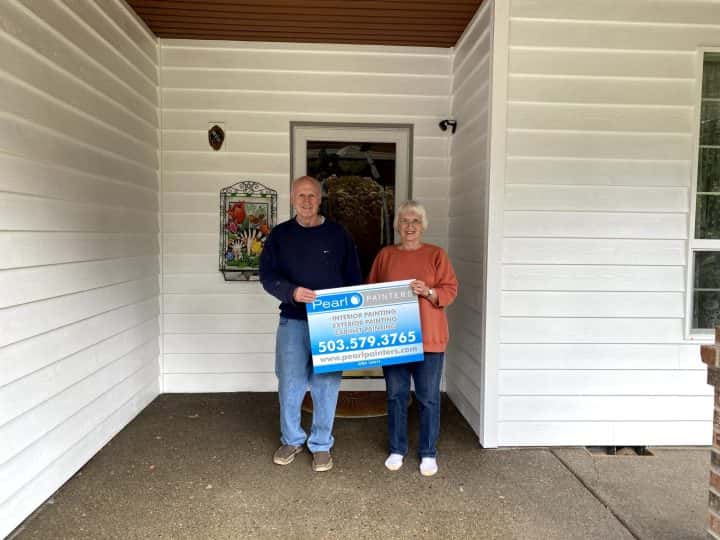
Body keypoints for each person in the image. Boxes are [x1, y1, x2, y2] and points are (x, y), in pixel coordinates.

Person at [259, 176, 362, 472]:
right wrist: (290, 292)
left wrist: (349, 316)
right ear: (292, 198)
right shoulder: (280, 235)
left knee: (326, 385)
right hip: (293, 321)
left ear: (320, 199)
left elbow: (353, 278)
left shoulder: (338, 234)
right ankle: (291, 439)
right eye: (301, 195)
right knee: (290, 383)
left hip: (331, 323)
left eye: (312, 196)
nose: (306, 201)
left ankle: (321, 444)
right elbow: (267, 276)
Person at [367, 200, 458, 476]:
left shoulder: (436, 255)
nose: (409, 226)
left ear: (423, 226)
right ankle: (397, 448)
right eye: (405, 221)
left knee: (428, 397)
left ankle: (428, 452)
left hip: (429, 338)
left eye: (415, 221)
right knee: (396, 395)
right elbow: (371, 293)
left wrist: (429, 292)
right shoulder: (386, 256)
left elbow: (450, 290)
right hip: (395, 339)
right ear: (397, 225)